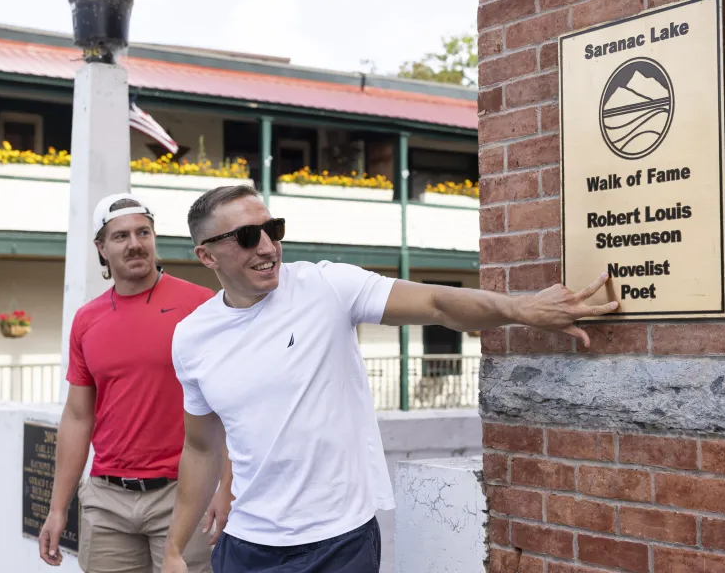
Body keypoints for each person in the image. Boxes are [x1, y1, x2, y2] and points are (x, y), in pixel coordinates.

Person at [160, 184, 618, 573]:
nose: (266, 247)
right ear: (206, 255)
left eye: (272, 230)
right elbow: (201, 446)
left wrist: (521, 310)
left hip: (338, 543)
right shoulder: (193, 338)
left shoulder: (326, 288)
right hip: (246, 547)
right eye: (245, 237)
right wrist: (175, 549)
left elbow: (437, 303)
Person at [39, 192, 234, 573]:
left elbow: (229, 406)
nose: (134, 244)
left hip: (183, 493)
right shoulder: (86, 319)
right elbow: (78, 417)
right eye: (120, 236)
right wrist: (57, 508)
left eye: (143, 232)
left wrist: (227, 488)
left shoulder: (199, 305)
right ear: (102, 248)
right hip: (106, 501)